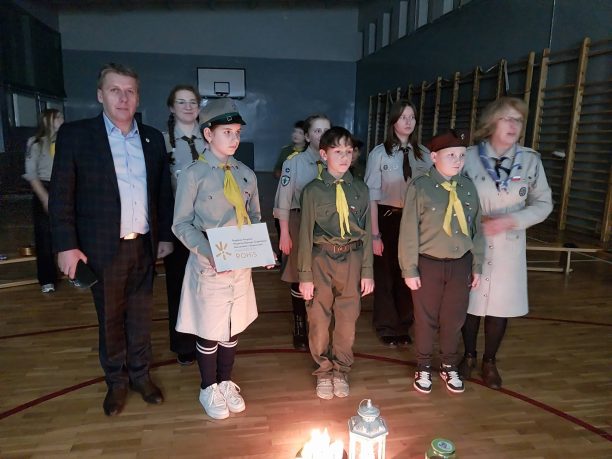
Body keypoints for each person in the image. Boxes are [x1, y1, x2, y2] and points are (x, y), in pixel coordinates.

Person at [49, 63, 174, 416]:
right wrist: (66, 245)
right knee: (111, 319)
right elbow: (61, 196)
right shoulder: (76, 136)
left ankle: (141, 375)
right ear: (100, 95)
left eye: (130, 91)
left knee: (141, 317)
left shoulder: (152, 138)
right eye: (115, 90)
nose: (123, 97)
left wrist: (165, 235)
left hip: (144, 246)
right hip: (102, 248)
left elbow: (162, 193)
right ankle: (116, 382)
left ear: (138, 97)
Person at [173, 98, 270, 420]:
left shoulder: (246, 174)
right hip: (210, 264)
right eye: (227, 132)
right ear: (208, 134)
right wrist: (208, 252)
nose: (234, 138)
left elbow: (255, 217)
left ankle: (226, 382)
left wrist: (261, 249)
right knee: (209, 327)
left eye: (238, 132)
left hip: (240, 266)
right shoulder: (194, 175)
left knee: (232, 326)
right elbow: (181, 224)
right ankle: (208, 387)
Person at [459, 97, 553, 389]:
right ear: (491, 123)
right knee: (470, 303)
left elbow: (544, 203)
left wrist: (513, 220)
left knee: (499, 306)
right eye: (507, 119)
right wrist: (474, 219)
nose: (513, 125)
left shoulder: (530, 160)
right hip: (473, 241)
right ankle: (468, 355)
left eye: (518, 120)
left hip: (509, 245)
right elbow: (452, 195)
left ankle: (489, 361)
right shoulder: (468, 157)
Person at [399, 130, 483, 394]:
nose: (458, 161)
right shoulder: (420, 187)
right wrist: (409, 269)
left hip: (460, 263)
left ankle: (449, 364)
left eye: (461, 155)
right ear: (434, 157)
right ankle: (423, 365)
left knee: (454, 318)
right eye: (451, 155)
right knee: (425, 319)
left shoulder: (468, 187)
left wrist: (477, 265)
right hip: (429, 263)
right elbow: (408, 231)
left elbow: (477, 229)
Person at [298, 126, 374, 399]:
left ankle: (341, 369)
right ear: (323, 154)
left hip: (352, 257)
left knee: (348, 318)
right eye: (338, 151)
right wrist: (305, 276)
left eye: (349, 151)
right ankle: (323, 369)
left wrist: (367, 271)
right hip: (321, 258)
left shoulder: (361, 189)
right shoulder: (313, 191)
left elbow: (367, 232)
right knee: (318, 318)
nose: (344, 157)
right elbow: (305, 234)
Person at [364, 99, 432, 348]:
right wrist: (375, 234)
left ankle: (404, 323)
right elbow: (371, 195)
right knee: (386, 273)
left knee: (409, 270)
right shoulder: (379, 154)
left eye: (412, 117)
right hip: (387, 218)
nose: (408, 122)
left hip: (415, 220)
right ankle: (386, 325)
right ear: (393, 121)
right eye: (403, 117)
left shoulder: (424, 154)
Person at [273, 114, 331, 350]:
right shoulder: (294, 162)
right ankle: (300, 325)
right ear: (307, 136)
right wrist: (284, 233)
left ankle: (319, 325)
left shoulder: (335, 160)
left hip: (327, 224)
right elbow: (284, 200)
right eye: (317, 131)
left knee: (323, 274)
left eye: (326, 130)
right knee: (299, 273)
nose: (322, 135)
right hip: (299, 221)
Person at [162, 84, 204, 366]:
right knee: (178, 285)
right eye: (181, 102)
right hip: (178, 225)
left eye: (192, 102)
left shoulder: (211, 137)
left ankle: (207, 337)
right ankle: (183, 343)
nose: (188, 107)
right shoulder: (161, 141)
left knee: (208, 284)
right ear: (171, 107)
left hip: (208, 225)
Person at [23, 108, 64, 293]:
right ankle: (47, 279)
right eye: (58, 117)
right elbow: (31, 174)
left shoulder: (65, 140)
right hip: (45, 187)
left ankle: (74, 272)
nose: (62, 119)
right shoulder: (36, 143)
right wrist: (44, 198)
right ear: (49, 120)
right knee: (44, 237)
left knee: (70, 234)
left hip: (64, 187)